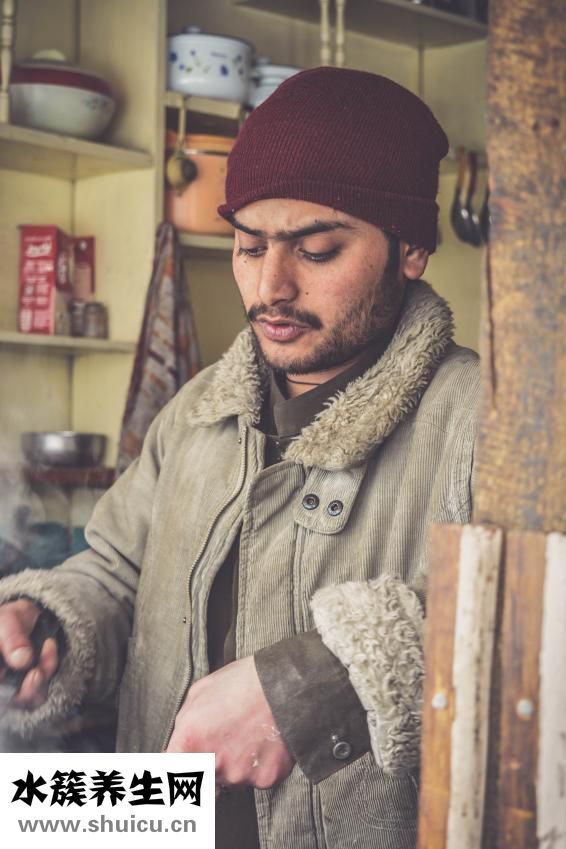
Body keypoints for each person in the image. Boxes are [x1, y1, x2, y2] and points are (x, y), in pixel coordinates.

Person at [0, 67, 479, 849]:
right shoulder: (196, 412)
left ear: (412, 250)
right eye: (248, 246)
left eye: (317, 249)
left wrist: (312, 685)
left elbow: (526, 639)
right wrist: (47, 624)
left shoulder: (487, 423)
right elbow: (116, 570)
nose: (270, 286)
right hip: (151, 828)